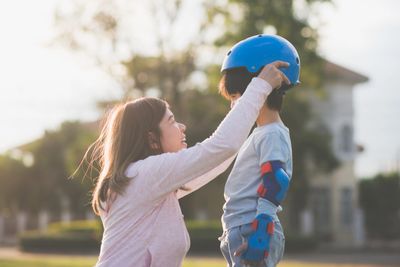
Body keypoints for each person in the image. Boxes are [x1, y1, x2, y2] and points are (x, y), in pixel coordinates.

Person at [78, 60, 290, 267]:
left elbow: (216, 159)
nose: (182, 126)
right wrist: (261, 85)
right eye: (171, 121)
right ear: (152, 138)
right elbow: (220, 148)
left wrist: (244, 106)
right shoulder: (146, 174)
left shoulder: (147, 182)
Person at [218, 34, 301, 267]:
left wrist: (260, 235)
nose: (233, 105)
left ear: (261, 90)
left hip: (253, 230)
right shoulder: (261, 133)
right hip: (242, 229)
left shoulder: (271, 133)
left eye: (235, 96)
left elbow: (275, 181)